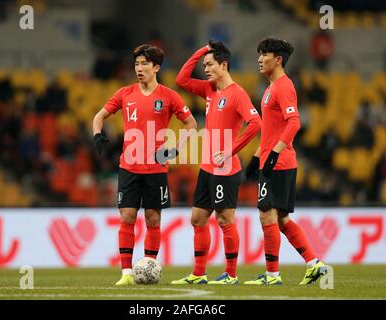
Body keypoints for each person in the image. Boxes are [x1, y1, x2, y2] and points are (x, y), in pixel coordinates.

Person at [92, 44, 197, 286]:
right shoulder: (124, 93)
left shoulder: (169, 96)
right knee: (127, 216)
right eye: (137, 64)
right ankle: (126, 273)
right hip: (129, 167)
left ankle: (149, 267)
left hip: (156, 169)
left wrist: (175, 149)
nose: (139, 68)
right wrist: (97, 135)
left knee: (152, 220)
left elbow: (191, 124)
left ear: (156, 67)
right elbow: (99, 116)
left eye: (144, 64)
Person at [171, 40, 261, 285]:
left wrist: (231, 151)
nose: (206, 69)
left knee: (224, 220)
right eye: (204, 65)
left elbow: (256, 124)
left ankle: (231, 275)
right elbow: (181, 79)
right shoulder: (209, 89)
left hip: (226, 168)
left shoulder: (238, 94)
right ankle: (199, 273)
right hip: (207, 167)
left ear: (224, 64)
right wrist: (201, 50)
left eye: (210, 64)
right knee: (198, 219)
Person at [244, 37, 328, 285]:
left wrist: (274, 154)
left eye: (264, 54)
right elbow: (271, 131)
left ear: (278, 59)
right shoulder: (270, 88)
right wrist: (257, 157)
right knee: (280, 219)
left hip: (279, 163)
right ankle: (314, 264)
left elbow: (294, 123)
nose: (259, 59)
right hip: (273, 161)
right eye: (259, 54)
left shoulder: (283, 86)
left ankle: (271, 275)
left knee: (267, 215)